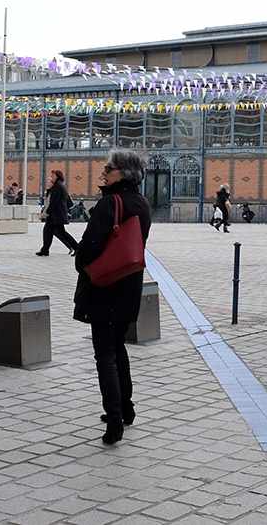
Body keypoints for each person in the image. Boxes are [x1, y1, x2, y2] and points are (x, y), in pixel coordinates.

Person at [74, 149, 151, 445]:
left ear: (124, 173)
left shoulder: (110, 204)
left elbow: (90, 246)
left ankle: (115, 420)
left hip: (105, 287)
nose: (104, 171)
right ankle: (127, 408)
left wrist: (81, 263)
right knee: (118, 347)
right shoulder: (142, 203)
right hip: (130, 286)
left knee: (104, 354)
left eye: (109, 167)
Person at [37, 170, 78, 256]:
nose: (51, 176)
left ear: (57, 176)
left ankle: (78, 248)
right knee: (48, 231)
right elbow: (49, 198)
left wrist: (46, 212)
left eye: (53, 175)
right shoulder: (57, 185)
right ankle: (45, 250)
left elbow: (54, 202)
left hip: (56, 215)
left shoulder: (58, 186)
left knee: (61, 233)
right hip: (54, 215)